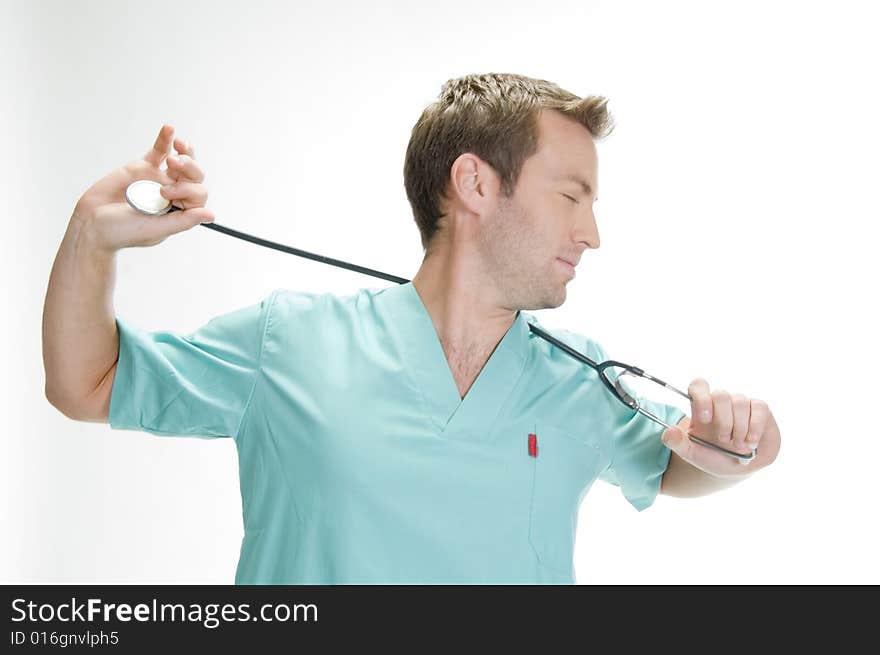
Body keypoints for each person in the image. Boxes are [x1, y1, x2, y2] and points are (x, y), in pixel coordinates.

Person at [42, 72, 781, 584]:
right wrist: (90, 239)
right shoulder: (289, 343)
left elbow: (678, 463)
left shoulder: (581, 381)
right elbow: (87, 382)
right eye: (570, 196)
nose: (591, 232)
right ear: (476, 184)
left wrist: (746, 444)